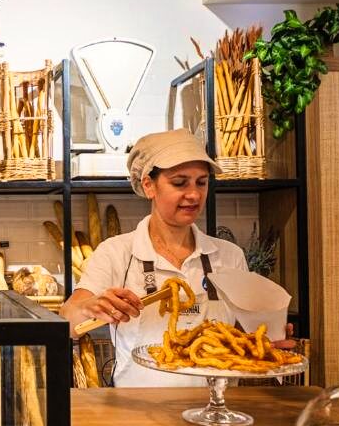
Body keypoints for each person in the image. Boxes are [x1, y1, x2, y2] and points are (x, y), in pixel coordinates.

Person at [60, 129, 249, 387]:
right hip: (138, 408)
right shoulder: (116, 252)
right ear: (149, 185)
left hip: (216, 408)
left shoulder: (229, 256)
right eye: (180, 183)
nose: (194, 194)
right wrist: (89, 307)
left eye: (201, 182)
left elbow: (244, 338)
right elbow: (67, 321)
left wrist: (270, 335)